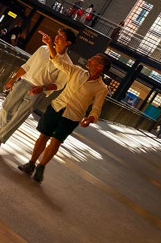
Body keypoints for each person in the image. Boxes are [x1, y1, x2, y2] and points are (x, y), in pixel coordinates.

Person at [18, 44, 110, 183]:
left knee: (56, 141)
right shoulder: (77, 71)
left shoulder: (102, 88)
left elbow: (97, 107)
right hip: (56, 107)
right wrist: (50, 44)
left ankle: (41, 167)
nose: (89, 60)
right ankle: (31, 164)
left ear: (100, 67)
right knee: (43, 136)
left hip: (72, 117)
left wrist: (90, 119)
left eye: (94, 60)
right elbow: (58, 62)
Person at [0, 29, 73, 152]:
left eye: (62, 36)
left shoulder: (68, 64)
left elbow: (59, 85)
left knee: (19, 117)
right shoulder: (42, 49)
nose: (57, 37)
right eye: (58, 34)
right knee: (6, 108)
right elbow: (26, 66)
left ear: (68, 43)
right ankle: (1, 131)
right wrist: (13, 79)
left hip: (39, 91)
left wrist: (43, 88)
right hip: (24, 82)